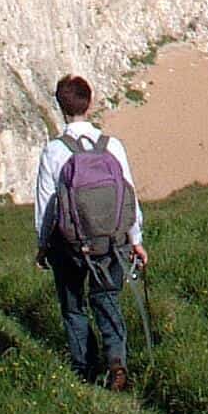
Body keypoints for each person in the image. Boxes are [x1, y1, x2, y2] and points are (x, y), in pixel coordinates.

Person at [34, 74, 147, 391]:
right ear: (91, 103)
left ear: (60, 107)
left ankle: (83, 369)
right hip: (111, 242)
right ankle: (116, 362)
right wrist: (135, 240)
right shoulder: (112, 146)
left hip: (68, 245)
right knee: (107, 298)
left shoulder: (54, 151)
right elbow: (129, 196)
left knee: (73, 306)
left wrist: (43, 247)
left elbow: (45, 204)